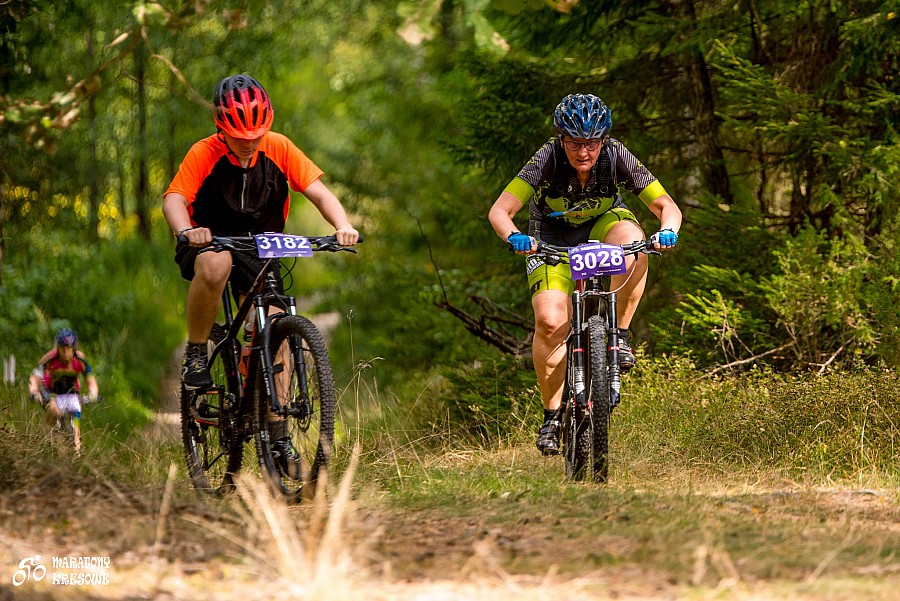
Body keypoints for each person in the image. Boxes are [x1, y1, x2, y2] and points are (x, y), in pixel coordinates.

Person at [162, 74, 359, 471]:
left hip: (260, 245)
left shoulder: (279, 147)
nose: (250, 142)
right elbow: (174, 199)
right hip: (209, 240)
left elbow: (318, 191)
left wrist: (342, 225)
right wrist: (187, 231)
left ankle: (278, 435)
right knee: (217, 264)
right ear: (221, 127)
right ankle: (197, 353)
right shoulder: (204, 152)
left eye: (257, 134)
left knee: (275, 325)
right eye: (240, 136)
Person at [488, 93, 682, 456]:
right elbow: (500, 210)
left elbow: (664, 205)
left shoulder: (617, 155)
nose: (583, 152)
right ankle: (552, 416)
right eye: (575, 142)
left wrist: (668, 230)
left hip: (603, 225)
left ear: (603, 140)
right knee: (549, 322)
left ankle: (619, 336)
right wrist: (514, 237)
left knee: (636, 247)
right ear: (562, 139)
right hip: (550, 237)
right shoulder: (546, 158)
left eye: (592, 143)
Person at [28, 328, 100, 454]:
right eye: (62, 348)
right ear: (58, 347)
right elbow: (34, 377)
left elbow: (91, 381)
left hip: (72, 394)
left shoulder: (80, 360)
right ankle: (50, 442)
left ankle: (76, 455)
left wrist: (93, 394)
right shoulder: (49, 358)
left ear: (73, 348)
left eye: (68, 348)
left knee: (75, 429)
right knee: (53, 410)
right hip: (51, 392)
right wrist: (34, 392)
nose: (65, 351)